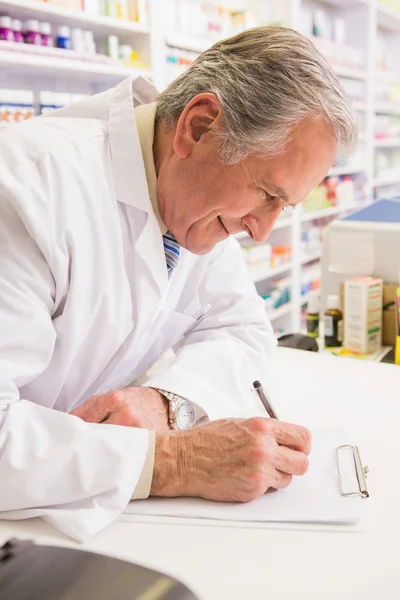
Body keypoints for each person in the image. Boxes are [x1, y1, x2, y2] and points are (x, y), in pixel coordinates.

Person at [0, 26, 357, 541]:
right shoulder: (27, 188)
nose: (261, 230)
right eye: (266, 194)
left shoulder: (193, 201)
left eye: (284, 207)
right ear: (199, 126)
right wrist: (174, 460)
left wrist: (169, 404)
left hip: (89, 519)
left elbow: (243, 330)